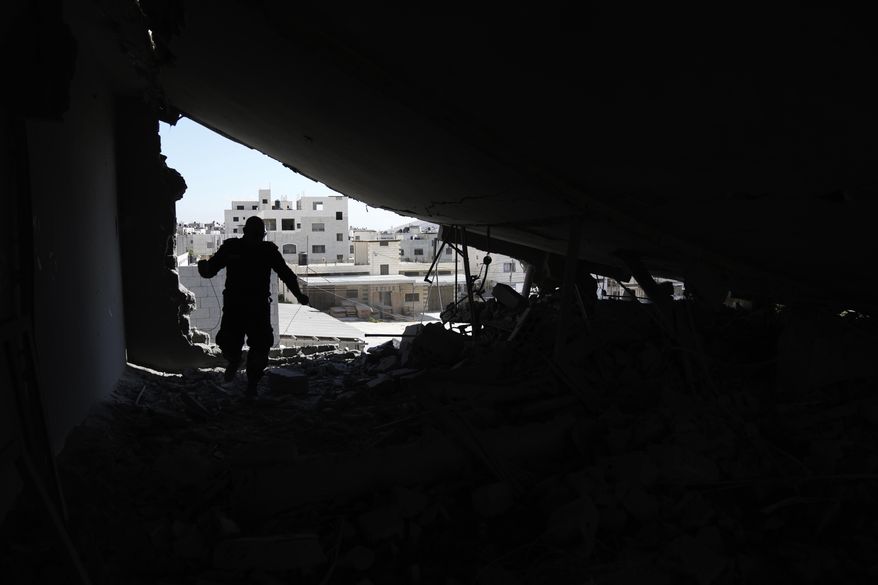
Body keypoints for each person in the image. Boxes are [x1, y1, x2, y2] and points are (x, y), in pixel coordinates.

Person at [198, 216, 309, 396]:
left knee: (255, 345)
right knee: (238, 343)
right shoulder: (238, 248)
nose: (256, 237)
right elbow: (211, 269)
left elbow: (286, 274)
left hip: (248, 307)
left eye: (257, 235)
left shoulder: (258, 250)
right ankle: (241, 369)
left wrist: (299, 295)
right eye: (256, 234)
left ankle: (249, 381)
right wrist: (299, 296)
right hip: (244, 307)